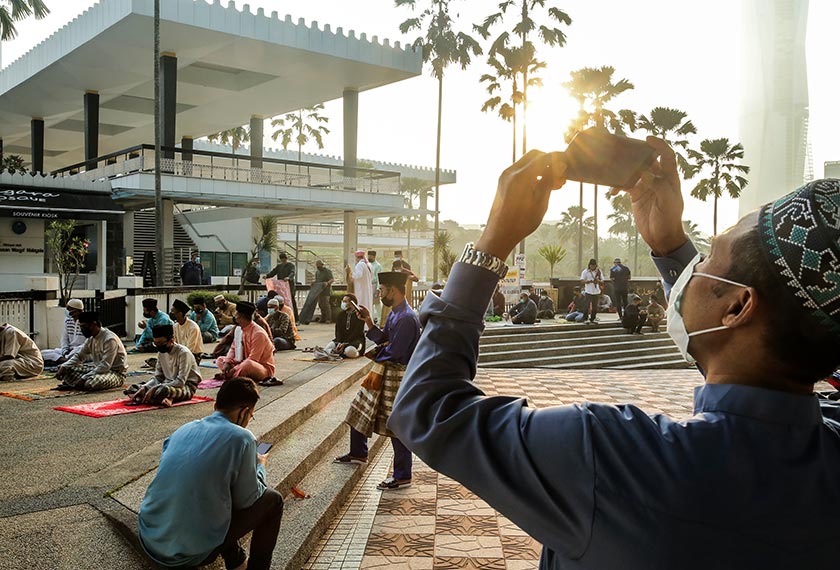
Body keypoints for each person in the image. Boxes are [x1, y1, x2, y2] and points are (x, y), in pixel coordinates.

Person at [388, 143, 840, 568]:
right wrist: (670, 247)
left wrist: (491, 243)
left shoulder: (612, 458)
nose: (694, 269)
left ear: (738, 307)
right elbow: (746, 357)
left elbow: (428, 410)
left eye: (708, 259)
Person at [138, 377, 284, 570]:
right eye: (251, 416)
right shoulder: (242, 438)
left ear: (216, 404)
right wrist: (260, 466)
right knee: (273, 500)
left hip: (149, 536)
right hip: (187, 554)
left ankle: (237, 561)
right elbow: (248, 499)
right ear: (244, 412)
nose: (249, 421)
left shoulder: (183, 429)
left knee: (217, 486)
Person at [335, 272, 421, 491]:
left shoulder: (407, 317)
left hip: (398, 376)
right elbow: (385, 340)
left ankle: (402, 475)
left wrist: (374, 353)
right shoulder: (396, 314)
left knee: (396, 425)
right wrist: (369, 322)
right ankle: (358, 453)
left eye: (382, 290)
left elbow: (396, 351)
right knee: (359, 407)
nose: (380, 294)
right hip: (384, 371)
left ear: (393, 290)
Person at [125, 324, 201, 407]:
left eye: (161, 343)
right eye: (156, 343)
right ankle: (159, 398)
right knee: (132, 389)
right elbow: (158, 377)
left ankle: (161, 398)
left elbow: (180, 382)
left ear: (171, 340)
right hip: (166, 383)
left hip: (185, 386)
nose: (159, 347)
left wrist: (155, 388)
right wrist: (145, 387)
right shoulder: (161, 354)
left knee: (163, 390)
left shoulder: (184, 353)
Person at [53, 312, 127, 391]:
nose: (82, 330)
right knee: (65, 369)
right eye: (81, 327)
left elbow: (105, 366)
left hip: (115, 373)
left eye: (84, 327)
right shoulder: (91, 339)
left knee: (91, 382)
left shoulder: (109, 339)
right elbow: (80, 356)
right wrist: (64, 366)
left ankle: (75, 385)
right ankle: (76, 385)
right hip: (98, 371)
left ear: (93, 324)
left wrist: (84, 378)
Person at [216, 302, 276, 385]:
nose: (234, 316)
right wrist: (227, 362)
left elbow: (253, 359)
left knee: (248, 364)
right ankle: (233, 375)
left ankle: (230, 376)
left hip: (262, 368)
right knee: (220, 360)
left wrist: (234, 369)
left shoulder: (258, 333)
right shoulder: (239, 329)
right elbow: (233, 348)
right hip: (242, 363)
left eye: (236, 314)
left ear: (241, 316)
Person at [41, 298, 86, 365]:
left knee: (79, 352)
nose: (68, 312)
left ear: (78, 311)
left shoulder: (86, 322)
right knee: (41, 352)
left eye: (70, 309)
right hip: (68, 351)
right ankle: (64, 360)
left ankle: (61, 360)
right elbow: (64, 338)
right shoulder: (67, 320)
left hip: (81, 351)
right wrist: (65, 351)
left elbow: (87, 344)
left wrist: (72, 351)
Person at [325, 294, 366, 359]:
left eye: (345, 301)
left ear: (352, 303)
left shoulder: (359, 315)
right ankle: (340, 352)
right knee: (327, 349)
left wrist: (346, 343)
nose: (343, 303)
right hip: (340, 341)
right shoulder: (340, 315)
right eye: (343, 301)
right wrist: (339, 342)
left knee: (350, 351)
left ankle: (344, 353)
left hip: (355, 341)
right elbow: (338, 331)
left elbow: (357, 333)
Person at [300, 260, 335, 325]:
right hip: (319, 291)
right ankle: (323, 318)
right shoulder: (317, 272)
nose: (318, 267)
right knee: (321, 305)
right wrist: (314, 282)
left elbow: (332, 279)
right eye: (317, 266)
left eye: (319, 265)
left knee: (326, 305)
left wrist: (327, 283)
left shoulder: (327, 271)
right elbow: (317, 280)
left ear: (322, 265)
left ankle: (328, 319)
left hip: (326, 291)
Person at [266, 253, 298, 320]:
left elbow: (292, 272)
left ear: (286, 259)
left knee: (291, 302)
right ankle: (281, 317)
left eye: (284, 259)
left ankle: (295, 318)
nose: (283, 261)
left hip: (289, 287)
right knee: (281, 302)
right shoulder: (279, 266)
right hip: (281, 288)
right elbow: (273, 272)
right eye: (282, 259)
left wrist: (288, 278)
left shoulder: (291, 265)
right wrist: (267, 276)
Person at [349, 250, 373, 322]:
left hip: (361, 289)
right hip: (367, 289)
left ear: (357, 257)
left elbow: (358, 275)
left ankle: (362, 324)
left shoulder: (360, 265)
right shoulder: (368, 265)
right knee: (367, 306)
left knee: (361, 305)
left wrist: (350, 274)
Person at [580, 258, 603, 324]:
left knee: (595, 306)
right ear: (589, 265)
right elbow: (581, 280)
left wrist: (597, 281)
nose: (592, 267)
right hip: (588, 291)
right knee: (586, 305)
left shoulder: (599, 272)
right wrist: (587, 281)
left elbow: (602, 281)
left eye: (594, 265)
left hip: (596, 291)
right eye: (591, 265)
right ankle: (585, 318)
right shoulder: (585, 271)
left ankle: (593, 318)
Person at [368, 250, 383, 323]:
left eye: (370, 256)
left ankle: (380, 319)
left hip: (374, 285)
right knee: (369, 303)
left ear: (374, 257)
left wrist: (378, 289)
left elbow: (378, 278)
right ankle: (371, 318)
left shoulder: (378, 266)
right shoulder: (367, 264)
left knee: (376, 303)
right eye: (368, 256)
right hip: (368, 285)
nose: (369, 257)